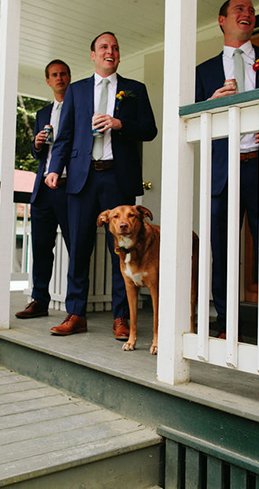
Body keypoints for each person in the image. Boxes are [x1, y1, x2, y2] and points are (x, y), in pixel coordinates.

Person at [45, 32, 157, 338]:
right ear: (93, 55)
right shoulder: (76, 90)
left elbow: (149, 130)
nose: (111, 51)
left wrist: (120, 124)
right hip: (81, 178)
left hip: (118, 177)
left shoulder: (134, 90)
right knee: (79, 247)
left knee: (122, 250)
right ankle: (75, 314)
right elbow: (65, 135)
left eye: (115, 48)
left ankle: (121, 317)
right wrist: (54, 169)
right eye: (104, 47)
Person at [195, 0, 259, 347]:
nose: (247, 13)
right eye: (239, 9)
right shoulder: (203, 72)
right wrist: (209, 106)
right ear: (222, 20)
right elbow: (192, 120)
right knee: (222, 253)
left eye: (251, 9)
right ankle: (226, 325)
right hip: (224, 173)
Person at [16, 60, 72, 319]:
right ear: (48, 81)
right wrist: (37, 144)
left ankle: (75, 308)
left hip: (70, 187)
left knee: (76, 248)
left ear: (69, 77)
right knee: (40, 247)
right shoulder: (42, 113)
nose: (59, 78)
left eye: (63, 74)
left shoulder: (79, 108)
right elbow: (38, 154)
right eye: (54, 75)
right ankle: (39, 301)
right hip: (43, 190)